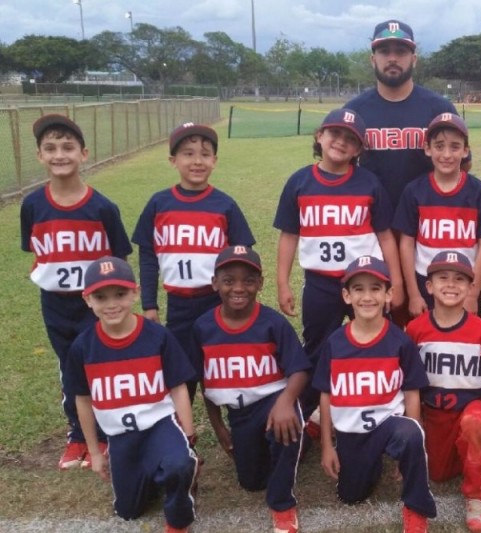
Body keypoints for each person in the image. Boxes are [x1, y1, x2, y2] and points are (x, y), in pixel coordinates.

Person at [273, 108, 401, 425]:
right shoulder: (300, 182)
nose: (341, 142)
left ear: (359, 149)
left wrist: (395, 283)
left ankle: (379, 406)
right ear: (320, 136)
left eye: (350, 139)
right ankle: (308, 415)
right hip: (320, 283)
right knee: (317, 348)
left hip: (365, 283)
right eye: (335, 134)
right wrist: (282, 282)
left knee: (376, 342)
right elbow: (289, 236)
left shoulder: (369, 183)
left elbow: (385, 236)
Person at [20, 114, 133, 470]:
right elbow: (36, 251)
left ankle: (105, 431)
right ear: (39, 155)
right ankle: (78, 435)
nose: (59, 155)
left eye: (67, 147)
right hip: (55, 302)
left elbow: (119, 260)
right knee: (69, 366)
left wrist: (117, 303)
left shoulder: (102, 208)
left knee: (101, 364)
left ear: (83, 154)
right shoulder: (32, 205)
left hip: (97, 304)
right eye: (50, 148)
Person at [64, 256, 198, 533]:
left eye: (120, 294)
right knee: (129, 511)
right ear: (87, 299)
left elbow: (177, 387)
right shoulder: (83, 347)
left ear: (135, 293)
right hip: (120, 436)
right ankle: (153, 473)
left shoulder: (157, 336)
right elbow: (83, 400)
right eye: (101, 297)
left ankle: (178, 521)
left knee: (179, 464)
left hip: (159, 425)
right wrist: (95, 452)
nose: (111, 304)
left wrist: (188, 433)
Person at [312, 256, 436, 533]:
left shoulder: (400, 341)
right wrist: (327, 445)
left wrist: (411, 448)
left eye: (375, 288)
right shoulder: (335, 342)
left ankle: (416, 508)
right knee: (351, 496)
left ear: (388, 294)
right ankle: (369, 463)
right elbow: (326, 394)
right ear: (347, 295)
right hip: (351, 430)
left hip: (388, 424)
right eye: (359, 289)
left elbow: (412, 391)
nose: (367, 297)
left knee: (410, 434)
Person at [132, 122, 255, 400]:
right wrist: (149, 305)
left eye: (205, 154)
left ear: (215, 161)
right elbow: (148, 256)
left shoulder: (224, 205)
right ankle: (182, 422)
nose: (197, 161)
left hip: (217, 301)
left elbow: (243, 257)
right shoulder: (159, 204)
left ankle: (233, 415)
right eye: (188, 154)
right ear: (173, 160)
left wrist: (243, 300)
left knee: (220, 365)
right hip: (178, 304)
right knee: (181, 368)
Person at [192, 246, 310, 533]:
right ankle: (305, 437)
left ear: (260, 284)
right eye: (228, 280)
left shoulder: (272, 322)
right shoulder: (203, 327)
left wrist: (285, 402)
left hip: (272, 400)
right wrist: (219, 427)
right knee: (252, 481)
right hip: (240, 413)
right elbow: (206, 383)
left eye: (248, 280)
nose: (238, 288)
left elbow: (300, 369)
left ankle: (282, 504)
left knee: (286, 430)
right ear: (214, 283)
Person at [405, 251, 481, 533]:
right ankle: (468, 449)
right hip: (435, 410)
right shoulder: (415, 329)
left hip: (471, 403)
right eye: (443, 278)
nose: (451, 284)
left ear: (472, 287)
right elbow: (408, 382)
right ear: (429, 286)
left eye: (460, 279)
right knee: (438, 474)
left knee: (474, 424)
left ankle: (478, 495)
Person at [345, 19, 458, 212]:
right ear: (373, 60)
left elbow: (462, 164)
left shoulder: (440, 109)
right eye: (384, 51)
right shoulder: (354, 111)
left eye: (401, 51)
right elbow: (341, 168)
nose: (392, 58)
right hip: (372, 218)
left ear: (414, 59)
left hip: (426, 217)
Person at [393, 113, 481, 317]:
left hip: (465, 282)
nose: (447, 154)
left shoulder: (479, 191)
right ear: (427, 148)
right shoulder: (414, 191)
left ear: (465, 151)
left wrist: (473, 294)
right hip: (425, 282)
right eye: (439, 146)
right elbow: (406, 244)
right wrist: (414, 294)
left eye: (455, 147)